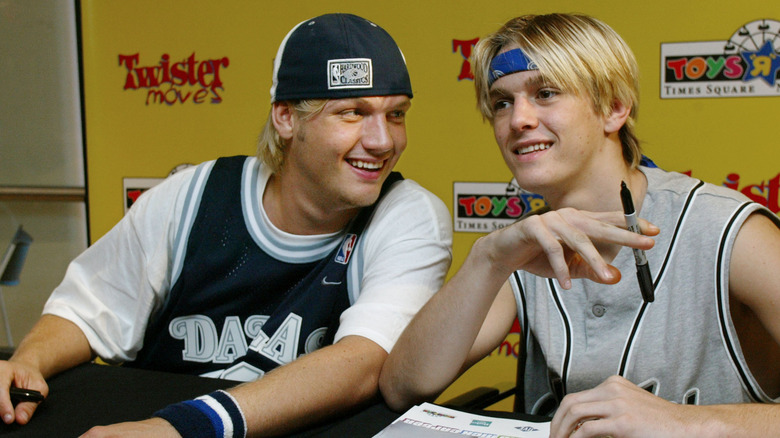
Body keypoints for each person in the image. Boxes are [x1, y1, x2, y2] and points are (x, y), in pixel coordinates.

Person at [0, 13, 453, 436]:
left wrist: (183, 427)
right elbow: (88, 310)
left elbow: (363, 362)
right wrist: (28, 361)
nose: (382, 141)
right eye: (352, 112)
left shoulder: (406, 214)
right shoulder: (194, 196)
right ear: (286, 117)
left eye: (396, 114)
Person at [379, 13, 780, 437]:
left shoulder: (727, 229)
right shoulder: (522, 242)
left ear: (613, 108)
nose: (519, 120)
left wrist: (689, 422)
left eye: (546, 93)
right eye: (502, 102)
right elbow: (405, 385)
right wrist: (488, 257)